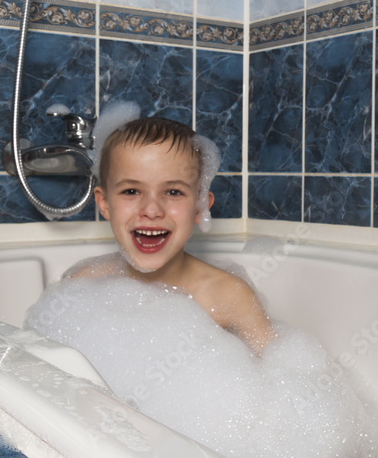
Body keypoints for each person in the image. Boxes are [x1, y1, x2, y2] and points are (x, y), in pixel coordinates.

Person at [70, 113, 274, 355]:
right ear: (104, 204)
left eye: (173, 192)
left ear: (199, 206)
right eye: (132, 191)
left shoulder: (229, 296)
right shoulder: (84, 285)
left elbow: (277, 374)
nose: (152, 210)